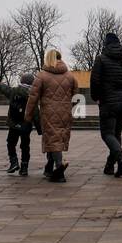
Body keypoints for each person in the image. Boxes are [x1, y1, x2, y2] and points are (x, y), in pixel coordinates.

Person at [23, 48, 78, 183]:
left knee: (53, 140)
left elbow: (33, 97)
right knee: (57, 138)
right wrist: (72, 110)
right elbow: (77, 97)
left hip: (48, 113)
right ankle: (49, 168)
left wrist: (28, 116)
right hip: (65, 112)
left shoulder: (42, 76)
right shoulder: (71, 76)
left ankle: (59, 170)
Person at [88, 32, 122, 177]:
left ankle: (121, 159)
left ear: (105, 44)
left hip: (108, 102)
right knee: (116, 134)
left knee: (107, 134)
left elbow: (95, 81)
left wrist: (96, 97)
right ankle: (110, 166)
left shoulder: (101, 60)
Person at [0, 71, 41, 176]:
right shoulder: (32, 95)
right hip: (26, 124)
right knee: (25, 146)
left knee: (11, 143)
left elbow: (5, 89)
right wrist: (40, 129)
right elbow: (36, 113)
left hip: (14, 123)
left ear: (21, 81)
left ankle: (14, 162)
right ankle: (24, 168)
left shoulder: (14, 91)